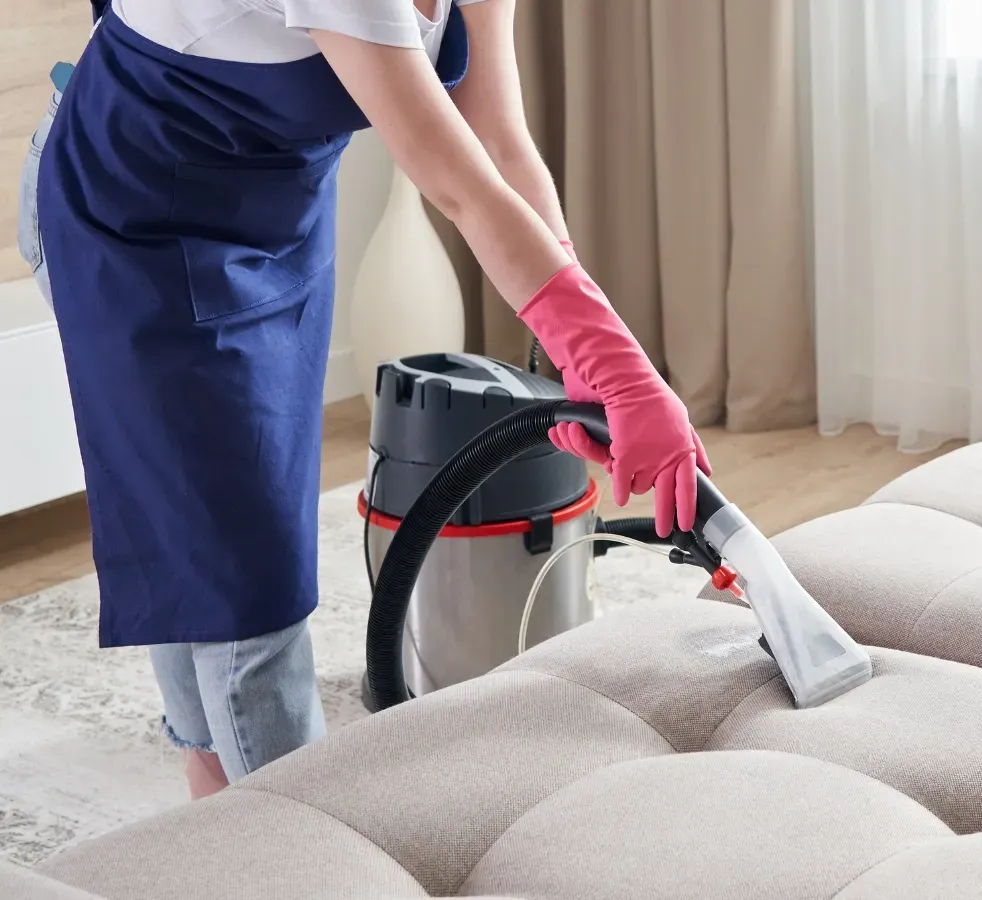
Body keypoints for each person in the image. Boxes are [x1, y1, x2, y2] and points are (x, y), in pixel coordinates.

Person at [18, 0, 708, 800]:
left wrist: (580, 351)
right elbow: (459, 186)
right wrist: (614, 361)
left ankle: (212, 802)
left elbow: (496, 144)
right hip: (129, 211)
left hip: (270, 213)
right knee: (247, 572)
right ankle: (306, 841)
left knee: (208, 523)